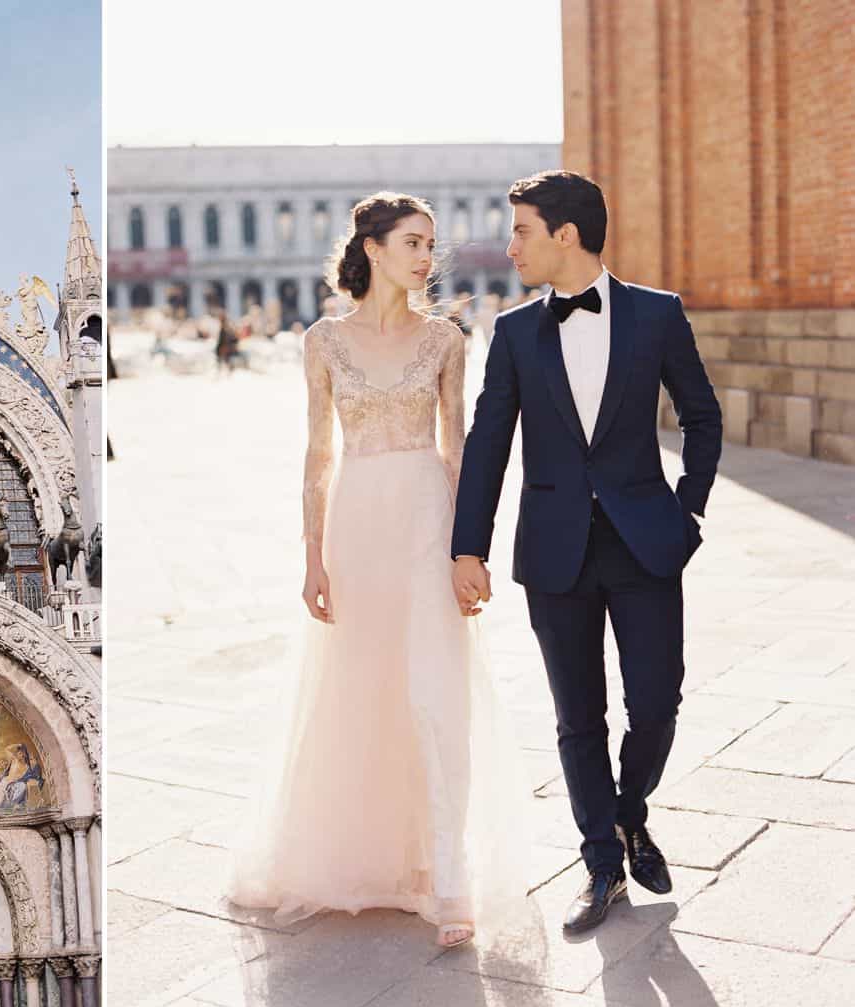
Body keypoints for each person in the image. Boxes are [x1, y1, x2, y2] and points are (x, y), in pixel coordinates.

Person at [228, 192, 529, 949]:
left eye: (431, 242)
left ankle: (447, 878)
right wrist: (311, 554)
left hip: (428, 516)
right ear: (373, 248)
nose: (427, 256)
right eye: (412, 242)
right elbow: (317, 452)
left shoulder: (447, 340)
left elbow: (458, 449)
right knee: (359, 688)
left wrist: (471, 551)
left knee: (437, 686)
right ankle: (363, 860)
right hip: (357, 524)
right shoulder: (323, 340)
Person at [451, 171, 722, 934]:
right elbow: (487, 446)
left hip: (646, 543)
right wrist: (466, 546)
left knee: (657, 703)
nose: (511, 248)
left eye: (522, 231)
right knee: (579, 719)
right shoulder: (511, 332)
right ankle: (601, 856)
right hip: (554, 549)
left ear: (565, 235)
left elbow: (702, 417)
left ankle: (630, 813)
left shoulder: (657, 315)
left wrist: (688, 511)